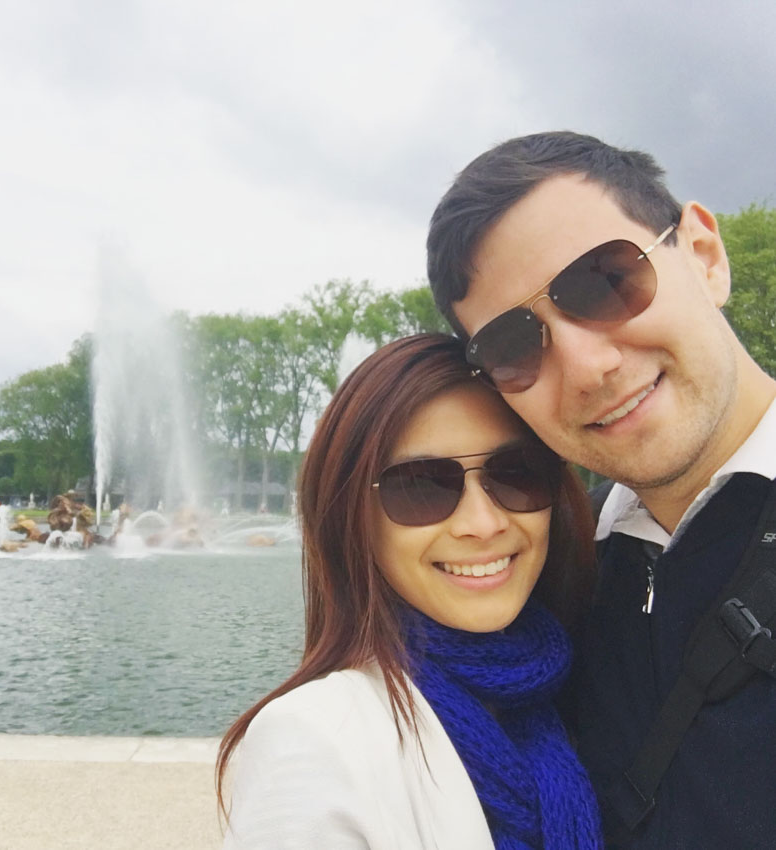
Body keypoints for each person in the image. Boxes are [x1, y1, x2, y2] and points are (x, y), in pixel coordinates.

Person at [426, 131, 776, 848]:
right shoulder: (547, 589)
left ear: (705, 257)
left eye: (607, 281)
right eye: (514, 345)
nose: (586, 368)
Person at [216, 333, 601, 849]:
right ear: (353, 520)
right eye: (421, 485)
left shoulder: (580, 688)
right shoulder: (310, 740)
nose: (483, 523)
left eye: (517, 472)